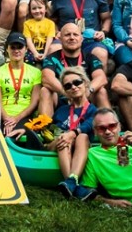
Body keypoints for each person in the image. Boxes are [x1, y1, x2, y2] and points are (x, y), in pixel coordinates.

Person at [41, 23, 110, 116]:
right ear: (60, 39)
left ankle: (109, 122)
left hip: (85, 99)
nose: (72, 37)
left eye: (75, 34)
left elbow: (101, 78)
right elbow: (46, 78)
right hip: (62, 98)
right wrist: (68, 92)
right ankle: (45, 124)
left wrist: (86, 92)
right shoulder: (52, 58)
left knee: (101, 91)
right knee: (45, 91)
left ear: (81, 39)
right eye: (67, 35)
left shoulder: (90, 57)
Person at [52, 67, 97, 199]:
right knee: (63, 138)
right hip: (59, 144)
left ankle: (70, 184)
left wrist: (72, 133)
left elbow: (89, 124)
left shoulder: (94, 110)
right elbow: (50, 132)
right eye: (68, 86)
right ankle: (74, 184)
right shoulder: (61, 111)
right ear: (65, 91)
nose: (73, 87)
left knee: (82, 136)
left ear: (85, 83)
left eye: (77, 82)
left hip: (81, 146)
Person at [0, 32, 42, 141]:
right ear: (7, 49)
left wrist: (16, 118)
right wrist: (7, 119)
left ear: (26, 49)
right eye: (13, 47)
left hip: (25, 116)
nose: (16, 51)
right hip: (2, 115)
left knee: (20, 135)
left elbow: (34, 102)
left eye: (20, 47)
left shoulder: (36, 72)